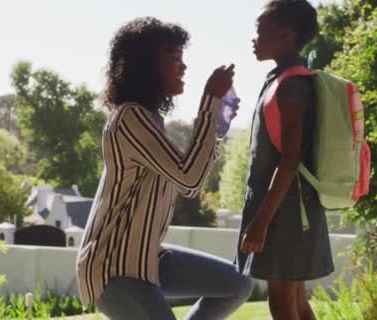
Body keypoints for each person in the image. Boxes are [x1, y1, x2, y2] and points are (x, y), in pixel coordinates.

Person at [76, 17, 252, 320]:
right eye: (173, 59)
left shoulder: (151, 121)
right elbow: (190, 178)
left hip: (147, 260)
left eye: (182, 59)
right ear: (145, 66)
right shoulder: (130, 117)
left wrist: (214, 123)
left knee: (236, 285)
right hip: (114, 268)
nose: (183, 67)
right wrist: (209, 103)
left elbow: (187, 179)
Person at [238, 1, 334, 319]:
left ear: (286, 34)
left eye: (259, 31)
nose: (254, 38)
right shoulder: (283, 79)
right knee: (295, 298)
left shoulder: (292, 86)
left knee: (282, 300)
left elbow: (290, 160)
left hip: (288, 212)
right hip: (292, 210)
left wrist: (260, 223)